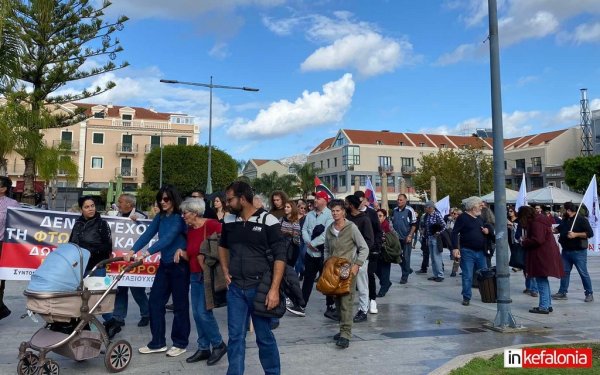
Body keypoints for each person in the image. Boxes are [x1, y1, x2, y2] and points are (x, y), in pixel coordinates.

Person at [218, 181, 285, 375]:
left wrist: (274, 290)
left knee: (264, 337)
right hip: (236, 289)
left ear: (243, 198)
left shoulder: (268, 220)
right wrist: (224, 269)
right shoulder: (229, 221)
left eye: (230, 199)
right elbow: (223, 245)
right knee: (235, 337)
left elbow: (280, 256)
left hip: (260, 289)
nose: (227, 203)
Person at [128, 185, 190, 357]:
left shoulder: (178, 218)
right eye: (160, 199)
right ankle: (157, 342)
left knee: (180, 305)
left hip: (179, 266)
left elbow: (168, 239)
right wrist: (133, 250)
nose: (162, 202)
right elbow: (148, 234)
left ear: (173, 199)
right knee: (155, 302)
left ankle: (180, 342)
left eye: (166, 199)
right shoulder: (160, 217)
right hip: (165, 265)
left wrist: (146, 253)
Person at [179, 198, 227, 366]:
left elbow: (225, 246)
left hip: (208, 275)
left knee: (203, 313)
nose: (183, 216)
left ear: (195, 212)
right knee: (197, 314)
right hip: (194, 275)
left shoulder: (212, 225)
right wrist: (182, 253)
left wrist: (207, 257)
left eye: (185, 213)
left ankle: (219, 344)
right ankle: (203, 347)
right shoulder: (190, 229)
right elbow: (192, 253)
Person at [104, 194, 150, 339]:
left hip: (135, 259)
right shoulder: (116, 216)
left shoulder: (140, 216)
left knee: (137, 291)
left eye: (121, 201)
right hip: (120, 259)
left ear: (130, 205)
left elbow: (148, 232)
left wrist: (139, 222)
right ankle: (118, 317)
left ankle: (146, 314)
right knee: (120, 289)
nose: (118, 203)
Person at [324, 199, 369, 349]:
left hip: (347, 269)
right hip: (333, 270)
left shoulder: (351, 228)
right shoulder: (330, 229)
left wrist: (357, 265)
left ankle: (345, 334)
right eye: (333, 211)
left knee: (346, 302)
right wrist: (326, 264)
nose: (335, 213)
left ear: (344, 211)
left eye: (338, 210)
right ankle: (342, 329)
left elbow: (364, 248)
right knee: (337, 301)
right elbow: (326, 248)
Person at [69, 195, 113, 322]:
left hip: (96, 266)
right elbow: (72, 243)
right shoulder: (78, 224)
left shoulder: (102, 224)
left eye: (92, 206)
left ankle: (111, 322)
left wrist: (88, 250)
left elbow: (107, 247)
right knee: (80, 296)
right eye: (87, 207)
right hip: (80, 266)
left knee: (100, 297)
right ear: (81, 209)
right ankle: (83, 322)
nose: (90, 209)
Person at [519, 205, 564, 314]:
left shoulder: (536, 223)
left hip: (541, 255)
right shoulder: (541, 220)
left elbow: (538, 239)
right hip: (546, 253)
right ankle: (547, 305)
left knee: (541, 279)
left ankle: (544, 306)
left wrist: (524, 242)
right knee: (543, 279)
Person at [301, 191, 334, 319]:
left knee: (327, 280)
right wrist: (308, 243)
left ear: (324, 200)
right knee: (308, 279)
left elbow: (326, 234)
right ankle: (302, 304)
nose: (315, 200)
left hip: (322, 254)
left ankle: (330, 306)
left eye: (318, 198)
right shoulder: (309, 214)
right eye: (315, 198)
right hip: (310, 253)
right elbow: (303, 229)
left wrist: (313, 243)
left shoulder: (329, 215)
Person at [553, 202, 594, 303]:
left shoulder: (581, 220)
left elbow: (590, 233)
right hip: (566, 251)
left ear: (568, 210)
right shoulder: (566, 219)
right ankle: (562, 292)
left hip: (578, 251)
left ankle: (589, 293)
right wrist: (553, 230)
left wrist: (576, 234)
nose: (561, 211)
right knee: (565, 272)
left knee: (583, 273)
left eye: (562, 209)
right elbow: (559, 229)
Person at [451, 197, 489, 306]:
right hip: (468, 251)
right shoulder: (463, 218)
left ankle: (486, 294)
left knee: (484, 274)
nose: (481, 206)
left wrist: (487, 231)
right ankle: (466, 297)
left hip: (481, 251)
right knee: (467, 275)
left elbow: (487, 227)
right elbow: (454, 233)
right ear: (473, 206)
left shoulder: (479, 218)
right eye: (479, 205)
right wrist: (455, 248)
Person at [344, 195, 374, 322]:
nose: (344, 205)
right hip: (346, 256)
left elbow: (369, 240)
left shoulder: (364, 219)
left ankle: (363, 310)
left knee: (362, 284)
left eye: (346, 203)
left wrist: (361, 255)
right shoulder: (346, 218)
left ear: (351, 204)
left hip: (360, 257)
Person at [353, 190, 382, 315]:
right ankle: (361, 304)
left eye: (361, 200)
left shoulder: (371, 213)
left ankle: (372, 300)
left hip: (370, 250)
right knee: (359, 278)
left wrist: (375, 246)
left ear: (365, 200)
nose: (359, 203)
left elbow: (378, 231)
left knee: (370, 275)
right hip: (355, 251)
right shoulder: (351, 214)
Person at [0, 176, 19, 320]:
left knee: (0, 280)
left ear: (4, 188)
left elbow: (19, 224)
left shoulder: (12, 204)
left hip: (3, 246)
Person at [508, 206, 538, 297]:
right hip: (523, 248)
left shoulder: (534, 222)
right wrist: (521, 238)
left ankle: (534, 289)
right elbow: (517, 235)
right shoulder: (521, 223)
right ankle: (529, 287)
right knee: (526, 268)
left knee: (532, 269)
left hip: (532, 249)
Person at [391, 194, 418, 284]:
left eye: (401, 200)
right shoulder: (394, 210)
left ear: (405, 201)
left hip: (406, 238)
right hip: (396, 238)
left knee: (406, 257)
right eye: (398, 199)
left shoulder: (410, 210)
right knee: (396, 256)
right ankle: (407, 268)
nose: (399, 201)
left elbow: (414, 224)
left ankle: (404, 276)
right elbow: (392, 223)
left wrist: (410, 235)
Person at [423, 201, 445, 282]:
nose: (425, 209)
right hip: (429, 237)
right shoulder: (427, 215)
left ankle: (440, 275)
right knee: (432, 257)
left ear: (430, 207)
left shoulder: (437, 214)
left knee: (437, 257)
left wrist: (439, 232)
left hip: (435, 238)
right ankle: (435, 274)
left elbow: (444, 226)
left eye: (426, 207)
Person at [375, 208, 394, 296]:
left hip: (386, 251)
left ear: (385, 217)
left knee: (385, 271)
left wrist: (385, 238)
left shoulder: (387, 226)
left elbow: (393, 237)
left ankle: (383, 288)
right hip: (377, 250)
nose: (378, 218)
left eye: (380, 216)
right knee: (375, 269)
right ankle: (386, 283)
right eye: (377, 216)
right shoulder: (375, 225)